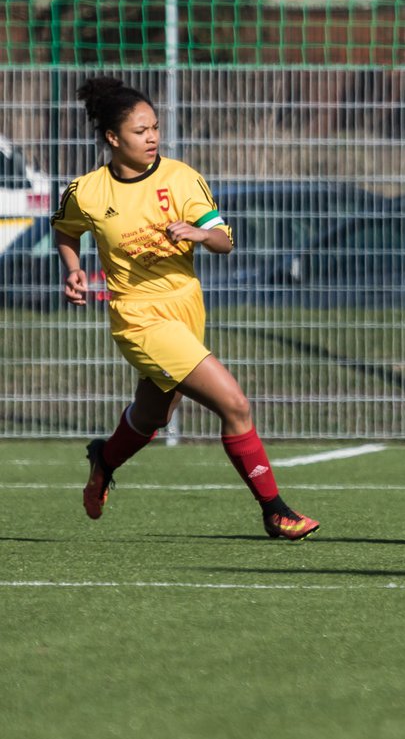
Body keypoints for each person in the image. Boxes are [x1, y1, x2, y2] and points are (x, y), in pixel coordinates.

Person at [53, 76, 319, 540]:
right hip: (138, 317)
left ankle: (105, 457)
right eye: (140, 131)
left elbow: (224, 239)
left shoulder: (181, 177)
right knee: (234, 403)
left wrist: (201, 234)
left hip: (186, 307)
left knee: (155, 414)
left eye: (155, 127)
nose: (152, 137)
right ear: (113, 138)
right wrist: (72, 268)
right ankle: (275, 511)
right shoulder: (88, 191)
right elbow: (66, 229)